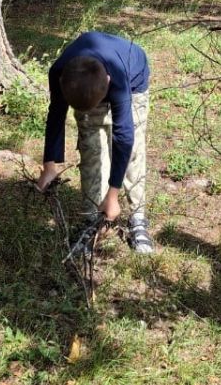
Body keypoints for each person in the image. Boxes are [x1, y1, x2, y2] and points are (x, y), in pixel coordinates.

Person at [36, 31, 154, 254]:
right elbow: (56, 114)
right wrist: (50, 166)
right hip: (90, 82)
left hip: (132, 79)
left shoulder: (118, 78)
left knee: (133, 151)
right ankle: (91, 220)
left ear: (108, 83)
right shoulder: (60, 73)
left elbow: (124, 136)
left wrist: (113, 194)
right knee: (92, 149)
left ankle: (136, 217)